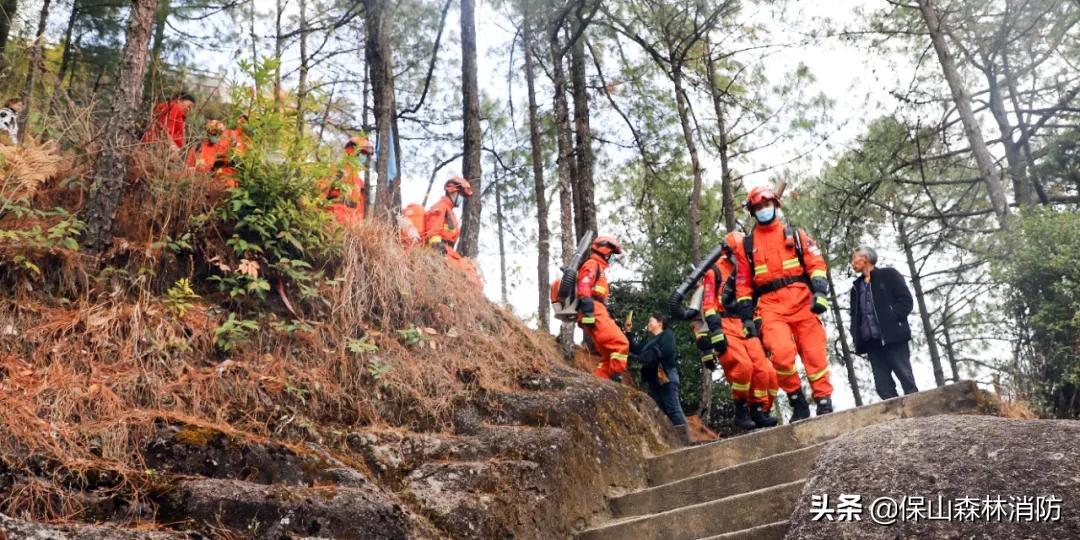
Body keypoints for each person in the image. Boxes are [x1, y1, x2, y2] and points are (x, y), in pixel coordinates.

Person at [734, 184, 834, 422]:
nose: (763, 210)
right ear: (752, 211)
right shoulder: (746, 246)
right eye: (758, 207)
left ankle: (823, 399)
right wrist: (747, 318)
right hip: (770, 307)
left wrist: (819, 291)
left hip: (803, 302)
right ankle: (797, 400)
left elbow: (816, 264)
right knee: (780, 355)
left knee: (814, 353)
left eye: (766, 205)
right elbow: (743, 283)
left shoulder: (796, 235)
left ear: (775, 205)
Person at [695, 231, 778, 430]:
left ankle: (758, 410)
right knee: (743, 367)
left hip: (744, 324)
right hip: (724, 325)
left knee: (765, 371)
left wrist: (759, 328)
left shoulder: (748, 271)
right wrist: (714, 332)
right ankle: (741, 408)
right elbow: (707, 304)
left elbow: (753, 301)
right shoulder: (713, 272)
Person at [849, 246, 919, 400]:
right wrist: (855, 333)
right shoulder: (855, 287)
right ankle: (896, 421)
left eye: (854, 259)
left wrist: (892, 318)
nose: (852, 264)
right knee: (883, 387)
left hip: (892, 336)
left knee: (906, 378)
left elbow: (906, 301)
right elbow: (854, 316)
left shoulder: (889, 275)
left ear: (865, 258)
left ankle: (919, 415)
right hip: (871, 342)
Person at [628, 314, 691, 444]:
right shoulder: (649, 341)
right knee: (663, 411)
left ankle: (687, 441)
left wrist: (651, 355)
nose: (648, 324)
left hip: (666, 374)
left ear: (660, 323)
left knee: (673, 408)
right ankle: (675, 442)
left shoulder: (667, 334)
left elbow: (667, 350)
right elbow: (636, 350)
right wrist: (628, 332)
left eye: (650, 321)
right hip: (653, 380)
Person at [576, 236, 630, 381]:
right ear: (604, 251)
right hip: (594, 308)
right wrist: (588, 308)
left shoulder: (598, 266)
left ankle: (601, 382)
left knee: (608, 355)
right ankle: (614, 375)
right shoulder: (593, 264)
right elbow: (584, 283)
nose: (611, 258)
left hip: (597, 309)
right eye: (611, 254)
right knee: (621, 343)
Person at [423, 176, 482, 286]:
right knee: (470, 277)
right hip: (442, 251)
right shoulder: (441, 207)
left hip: (449, 251)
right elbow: (433, 231)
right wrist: (437, 248)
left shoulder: (449, 211)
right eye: (460, 195)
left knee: (473, 274)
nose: (461, 198)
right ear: (452, 192)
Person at [326, 135, 373, 225]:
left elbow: (359, 209)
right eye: (362, 153)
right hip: (335, 222)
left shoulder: (359, 181)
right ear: (352, 151)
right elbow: (325, 199)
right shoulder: (338, 172)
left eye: (366, 155)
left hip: (351, 226)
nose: (364, 157)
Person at [187, 119, 238, 188]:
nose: (215, 135)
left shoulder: (228, 147)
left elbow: (234, 167)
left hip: (224, 185)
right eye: (212, 132)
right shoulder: (197, 148)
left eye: (217, 133)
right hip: (203, 186)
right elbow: (189, 169)